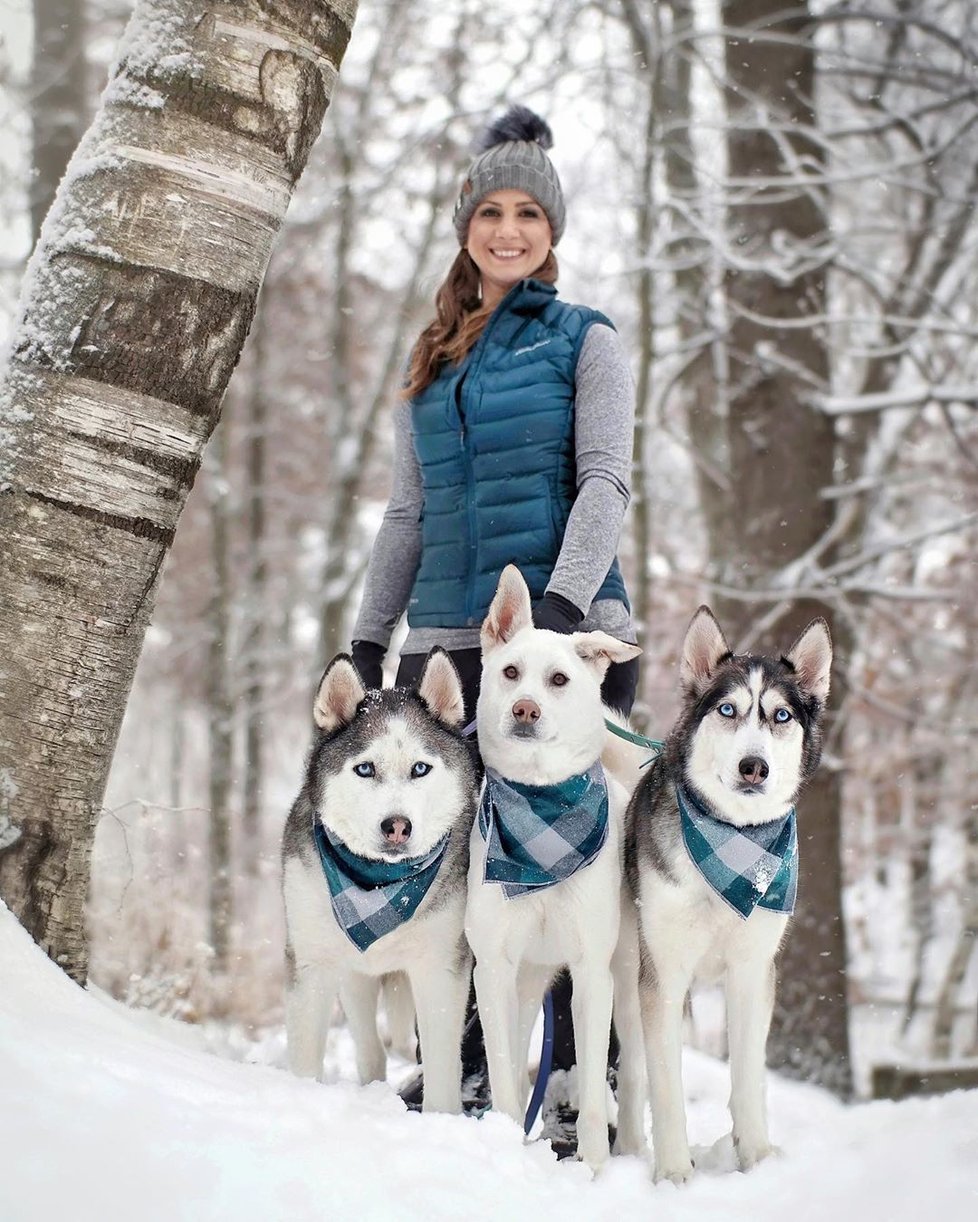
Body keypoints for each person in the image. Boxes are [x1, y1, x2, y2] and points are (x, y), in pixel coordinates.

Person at [348, 104, 638, 1154]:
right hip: (453, 652)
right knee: (473, 869)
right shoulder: (431, 363)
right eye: (489, 211)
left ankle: (579, 1085)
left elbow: (607, 483)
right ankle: (471, 1062)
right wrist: (371, 640)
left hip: (569, 650)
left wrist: (559, 612)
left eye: (528, 213)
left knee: (576, 877)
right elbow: (407, 519)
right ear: (465, 225)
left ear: (552, 229)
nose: (507, 230)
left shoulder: (585, 339)